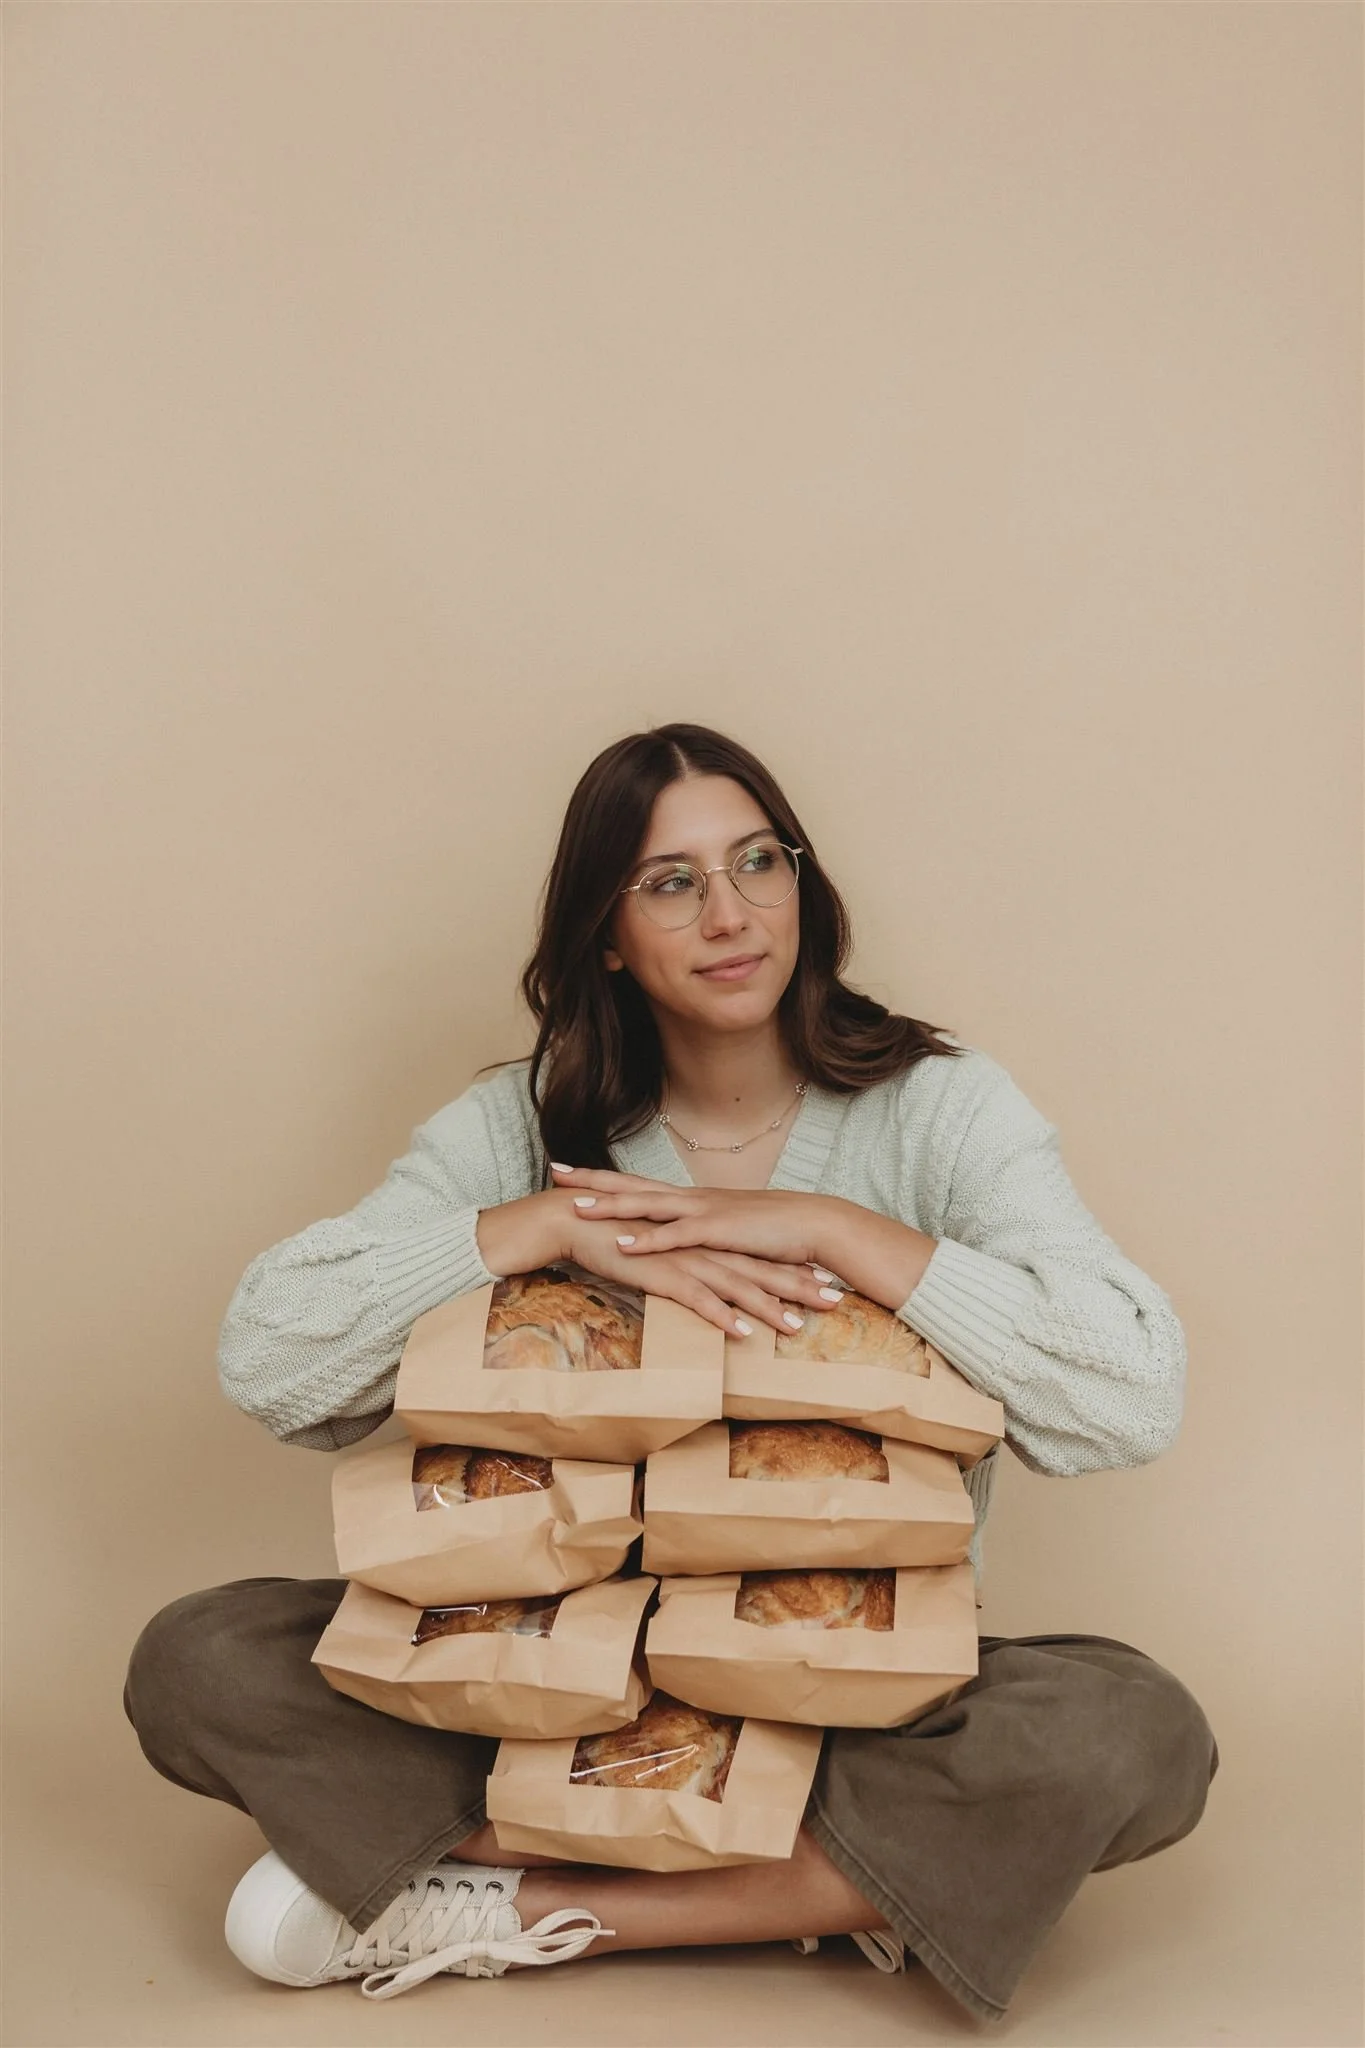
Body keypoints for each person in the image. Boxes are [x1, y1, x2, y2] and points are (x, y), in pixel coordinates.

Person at [123, 721, 1218, 2024]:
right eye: (671, 882)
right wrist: (537, 1230)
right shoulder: (521, 1127)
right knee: (197, 1656)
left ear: (804, 883)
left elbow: (1132, 1388)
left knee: (1132, 1734)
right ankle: (844, 1890)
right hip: (531, 1689)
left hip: (846, 1699)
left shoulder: (941, 1111)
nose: (731, 912)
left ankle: (501, 1908)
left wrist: (839, 1232)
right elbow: (271, 1356)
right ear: (604, 932)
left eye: (762, 862)